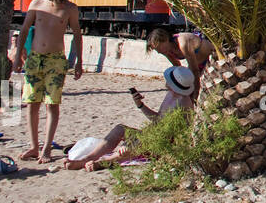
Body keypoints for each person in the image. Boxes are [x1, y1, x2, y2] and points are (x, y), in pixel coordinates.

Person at [60, 66, 194, 172]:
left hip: (163, 142)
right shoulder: (171, 95)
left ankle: (107, 161)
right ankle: (89, 158)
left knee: (136, 143)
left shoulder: (183, 104)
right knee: (120, 129)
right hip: (154, 134)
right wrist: (141, 105)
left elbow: (167, 132)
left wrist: (140, 137)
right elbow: (158, 119)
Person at [15, 0, 83, 163]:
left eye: (62, 2)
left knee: (52, 104)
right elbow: (23, 30)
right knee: (32, 103)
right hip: (35, 59)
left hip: (56, 60)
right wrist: (17, 57)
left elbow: (77, 34)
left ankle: (46, 148)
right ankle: (34, 146)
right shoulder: (36, 4)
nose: (58, 5)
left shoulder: (70, 9)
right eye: (56, 2)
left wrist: (78, 62)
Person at [146, 27, 213, 101]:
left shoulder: (182, 43)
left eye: (158, 48)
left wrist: (195, 93)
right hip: (198, 63)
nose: (158, 51)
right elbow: (177, 67)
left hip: (211, 59)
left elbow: (194, 70)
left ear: (165, 40)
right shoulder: (166, 50)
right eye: (156, 49)